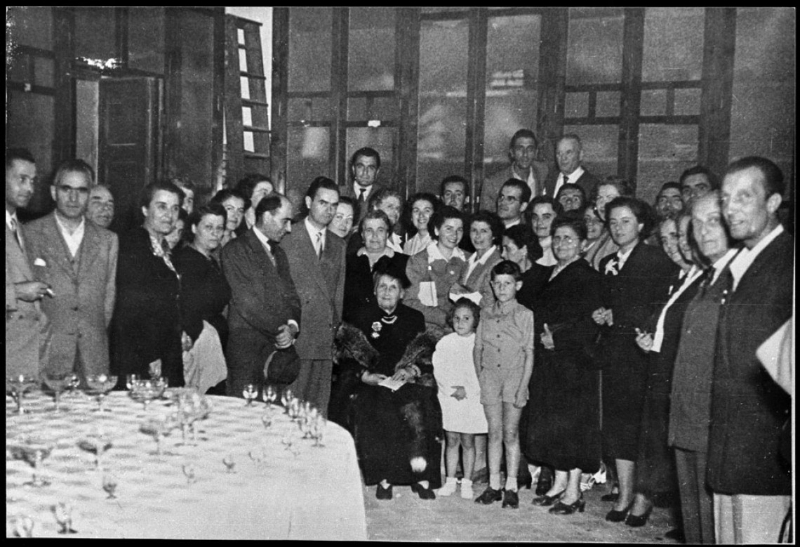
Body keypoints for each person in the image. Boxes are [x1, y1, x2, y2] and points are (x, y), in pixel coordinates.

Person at [708, 156, 792, 543]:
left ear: (773, 203)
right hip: (731, 448)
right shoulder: (743, 263)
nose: (730, 209)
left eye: (744, 197)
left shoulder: (786, 262)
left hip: (766, 456)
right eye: (725, 198)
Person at [591, 196, 679, 524]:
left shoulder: (657, 259)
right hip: (616, 354)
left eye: (625, 221)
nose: (618, 227)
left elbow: (661, 307)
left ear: (641, 225)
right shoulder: (608, 262)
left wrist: (622, 315)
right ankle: (624, 493)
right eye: (613, 222)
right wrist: (602, 313)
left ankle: (643, 497)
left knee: (643, 430)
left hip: (642, 354)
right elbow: (607, 301)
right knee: (618, 427)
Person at [626, 210, 705, 528]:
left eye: (678, 237)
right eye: (666, 239)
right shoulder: (678, 278)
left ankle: (675, 512)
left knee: (674, 444)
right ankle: (650, 498)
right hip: (660, 368)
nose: (673, 246)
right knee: (654, 438)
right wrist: (650, 338)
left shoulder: (702, 278)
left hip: (679, 373)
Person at [668, 190, 737, 544]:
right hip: (689, 421)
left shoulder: (738, 282)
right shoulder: (708, 279)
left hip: (713, 426)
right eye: (698, 223)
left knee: (714, 528)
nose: (705, 231)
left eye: (715, 221)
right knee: (695, 523)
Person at [524, 215, 602, 515]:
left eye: (569, 238)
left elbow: (590, 323)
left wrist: (559, 340)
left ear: (583, 243)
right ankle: (558, 483)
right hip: (548, 361)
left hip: (573, 362)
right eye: (557, 238)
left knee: (571, 426)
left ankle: (573, 492)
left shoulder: (588, 277)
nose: (561, 244)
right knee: (552, 423)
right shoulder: (548, 273)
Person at [343, 266, 441, 500]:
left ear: (402, 294)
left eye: (393, 287)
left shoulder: (414, 318)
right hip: (373, 382)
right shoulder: (360, 316)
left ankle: (421, 476)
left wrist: (411, 369)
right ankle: (384, 477)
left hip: (407, 381)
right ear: (375, 290)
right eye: (382, 287)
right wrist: (364, 376)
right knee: (379, 409)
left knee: (420, 408)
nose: (387, 292)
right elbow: (345, 357)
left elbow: (426, 356)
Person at [25, 159, 118, 383]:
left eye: (82, 191)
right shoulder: (30, 233)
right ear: (53, 192)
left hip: (93, 356)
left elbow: (108, 296)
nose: (74, 198)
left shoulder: (107, 240)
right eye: (66, 189)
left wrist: (90, 334)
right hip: (47, 353)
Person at [221, 193, 300, 398]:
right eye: (285, 221)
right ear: (266, 217)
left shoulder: (280, 254)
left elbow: (292, 296)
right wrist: (281, 330)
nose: (289, 228)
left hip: (277, 354)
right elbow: (247, 304)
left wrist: (292, 327)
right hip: (247, 354)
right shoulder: (236, 249)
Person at [110, 181, 186, 387]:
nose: (169, 215)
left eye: (175, 208)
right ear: (145, 209)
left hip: (164, 349)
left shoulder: (162, 247)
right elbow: (132, 308)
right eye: (161, 206)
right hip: (143, 355)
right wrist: (151, 355)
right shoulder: (134, 245)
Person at [282, 177, 346, 416]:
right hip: (296, 341)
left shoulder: (338, 245)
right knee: (290, 412)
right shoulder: (287, 237)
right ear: (309, 202)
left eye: (334, 205)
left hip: (323, 343)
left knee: (318, 414)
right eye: (323, 202)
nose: (329, 210)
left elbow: (337, 298)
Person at [473, 260, 534, 509]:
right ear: (491, 285)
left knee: (510, 432)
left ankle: (511, 485)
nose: (502, 288)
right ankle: (494, 485)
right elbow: (477, 348)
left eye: (507, 283)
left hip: (514, 378)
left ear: (517, 285)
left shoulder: (525, 314)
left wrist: (522, 387)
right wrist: (482, 376)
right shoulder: (485, 313)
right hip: (491, 379)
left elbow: (529, 353)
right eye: (497, 283)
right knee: (494, 432)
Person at [174, 202, 231, 394]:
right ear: (193, 228)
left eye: (219, 228)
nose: (215, 233)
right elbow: (186, 307)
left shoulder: (211, 260)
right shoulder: (186, 260)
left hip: (214, 345)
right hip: (197, 345)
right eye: (208, 227)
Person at [433, 298, 487, 500]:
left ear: (475, 321)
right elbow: (439, 368)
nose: (461, 322)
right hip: (450, 399)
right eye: (456, 318)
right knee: (452, 439)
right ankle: (449, 480)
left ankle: (467, 481)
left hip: (471, 400)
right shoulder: (446, 343)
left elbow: (482, 371)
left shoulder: (479, 343)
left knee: (468, 440)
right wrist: (450, 389)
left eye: (466, 318)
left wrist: (469, 390)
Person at [6, 148, 51, 377]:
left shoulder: (21, 228)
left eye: (32, 181)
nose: (29, 189)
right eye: (21, 179)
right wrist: (16, 292)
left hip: (28, 353)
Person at [404, 206, 468, 329]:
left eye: (459, 229)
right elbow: (410, 302)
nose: (454, 235)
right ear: (437, 230)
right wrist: (446, 320)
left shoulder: (468, 259)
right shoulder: (418, 261)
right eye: (448, 229)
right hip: (430, 329)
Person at [343, 210, 409, 322]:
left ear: (387, 234)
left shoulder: (405, 262)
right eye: (369, 230)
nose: (375, 236)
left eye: (380, 230)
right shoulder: (347, 262)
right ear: (362, 235)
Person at [481, 129, 549, 209]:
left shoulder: (542, 173)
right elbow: (486, 218)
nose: (525, 154)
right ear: (512, 152)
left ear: (536, 152)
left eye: (530, 149)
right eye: (520, 149)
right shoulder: (493, 183)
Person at [449, 210, 503, 307]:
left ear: (494, 235)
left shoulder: (496, 263)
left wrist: (463, 293)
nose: (477, 236)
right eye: (474, 230)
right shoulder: (469, 260)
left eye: (483, 231)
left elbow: (490, 303)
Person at [584, 177, 634, 271]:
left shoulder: (628, 234)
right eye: (599, 198)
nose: (603, 203)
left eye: (609, 197)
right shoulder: (606, 234)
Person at [347, 187, 406, 255]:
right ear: (375, 207)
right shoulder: (360, 238)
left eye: (397, 208)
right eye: (390, 207)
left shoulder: (399, 240)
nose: (395, 212)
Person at [544, 134, 601, 199]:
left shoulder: (592, 185)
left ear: (580, 155)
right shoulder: (550, 180)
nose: (563, 158)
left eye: (568, 152)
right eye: (559, 153)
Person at [341, 147, 384, 225]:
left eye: (371, 168)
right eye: (360, 166)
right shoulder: (339, 193)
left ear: (377, 172)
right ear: (353, 169)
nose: (365, 172)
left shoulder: (384, 196)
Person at [529, 196, 562, 266]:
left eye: (546, 217)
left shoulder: (557, 251)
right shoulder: (530, 245)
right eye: (535, 217)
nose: (539, 222)